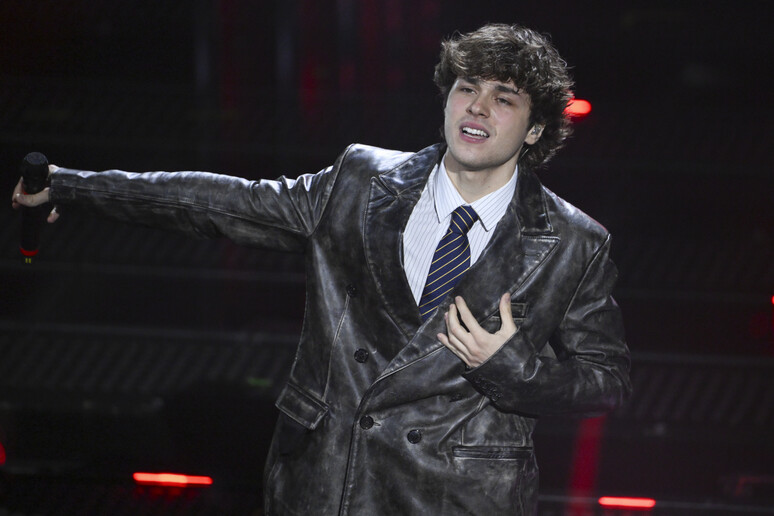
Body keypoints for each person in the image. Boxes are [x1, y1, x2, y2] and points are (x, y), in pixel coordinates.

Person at [12, 23, 630, 516]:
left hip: (458, 497)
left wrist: (512, 369)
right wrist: (70, 186)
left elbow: (607, 382)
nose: (478, 108)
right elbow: (220, 202)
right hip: (329, 479)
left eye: (504, 99)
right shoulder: (360, 180)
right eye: (467, 88)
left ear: (536, 129)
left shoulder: (574, 243)